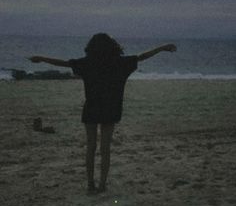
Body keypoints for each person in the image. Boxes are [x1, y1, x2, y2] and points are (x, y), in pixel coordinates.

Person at [28, 33, 176, 194]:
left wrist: (40, 57)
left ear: (91, 47)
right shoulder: (120, 63)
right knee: (105, 149)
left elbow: (63, 63)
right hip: (111, 109)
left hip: (91, 108)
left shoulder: (86, 63)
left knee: (90, 147)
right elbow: (142, 56)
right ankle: (102, 185)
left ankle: (90, 185)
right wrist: (162, 48)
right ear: (113, 47)